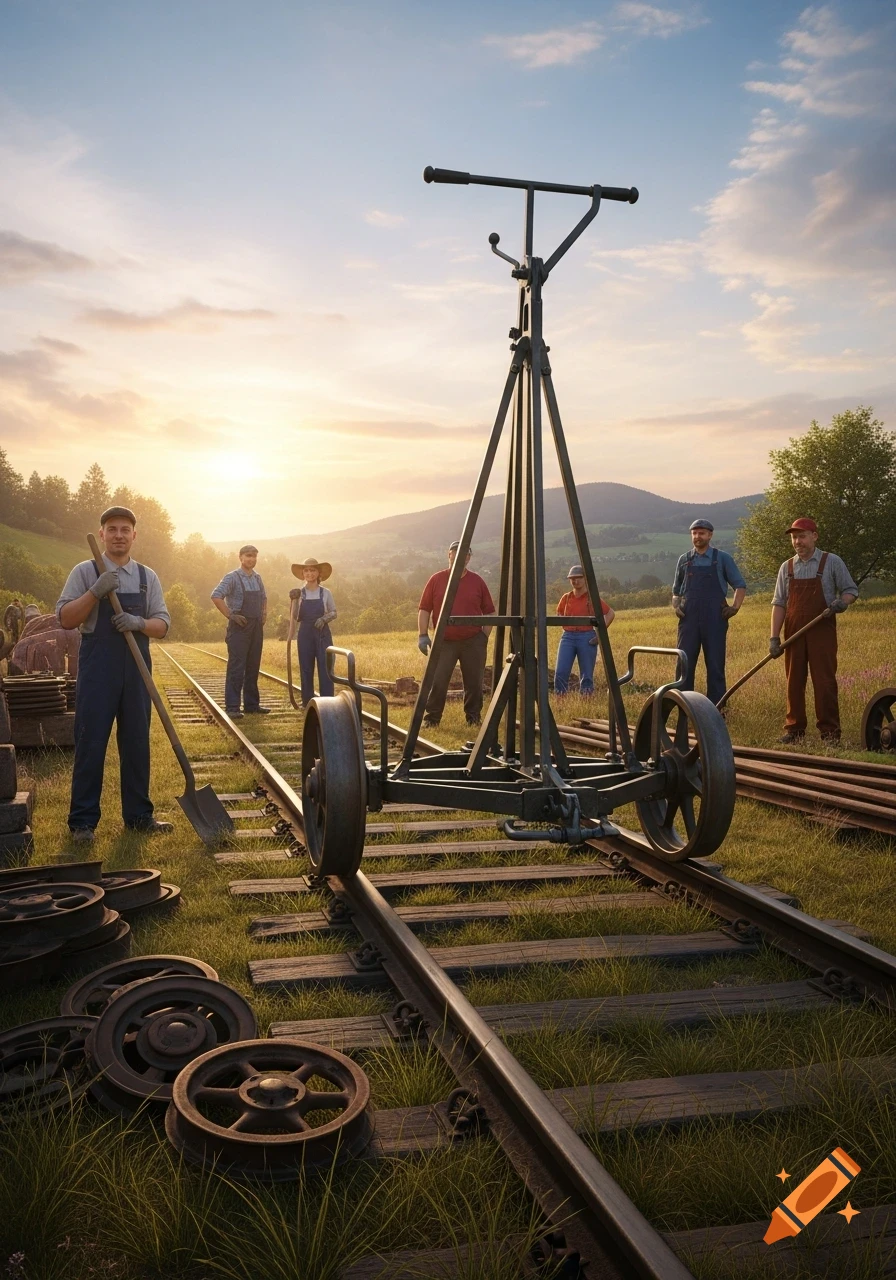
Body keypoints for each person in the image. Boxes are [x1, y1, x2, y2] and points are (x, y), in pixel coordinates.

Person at [56, 506, 171, 842]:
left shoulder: (148, 577)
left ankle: (138, 817)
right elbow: (64, 618)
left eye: (125, 529)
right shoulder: (84, 570)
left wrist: (138, 623)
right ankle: (82, 823)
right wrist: (95, 591)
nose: (119, 535)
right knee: (91, 742)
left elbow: (162, 625)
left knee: (137, 742)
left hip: (137, 669)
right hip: (98, 668)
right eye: (112, 529)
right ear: (102, 533)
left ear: (134, 535)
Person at [768, 517, 858, 744]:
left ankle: (830, 733)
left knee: (824, 681)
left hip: (822, 629)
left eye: (802, 536)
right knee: (794, 681)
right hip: (794, 632)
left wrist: (842, 602)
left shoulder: (831, 562)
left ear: (814, 536)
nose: (797, 541)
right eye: (794, 537)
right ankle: (794, 730)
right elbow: (779, 604)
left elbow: (851, 591)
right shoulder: (786, 567)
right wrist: (774, 637)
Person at [418, 541, 494, 727]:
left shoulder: (477, 581)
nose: (461, 555)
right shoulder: (436, 579)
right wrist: (422, 634)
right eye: (456, 551)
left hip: (473, 641)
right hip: (444, 641)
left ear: (469, 557)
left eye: (466, 553)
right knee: (438, 681)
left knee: (474, 683)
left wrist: (484, 636)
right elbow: (424, 609)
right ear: (449, 554)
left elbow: (490, 612)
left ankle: (473, 718)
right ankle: (432, 719)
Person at [671, 519, 747, 706]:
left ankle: (717, 710)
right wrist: (676, 606)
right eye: (694, 533)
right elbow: (676, 591)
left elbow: (740, 585)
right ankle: (685, 708)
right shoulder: (684, 560)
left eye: (702, 533)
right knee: (684, 663)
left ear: (710, 535)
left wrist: (734, 608)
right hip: (688, 618)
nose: (698, 537)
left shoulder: (722, 558)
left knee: (715, 665)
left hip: (715, 618)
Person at [211, 545, 268, 720]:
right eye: (248, 556)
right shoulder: (232, 577)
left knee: (253, 666)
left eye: (254, 556)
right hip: (239, 627)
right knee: (237, 667)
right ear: (241, 557)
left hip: (256, 626)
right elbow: (216, 596)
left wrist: (263, 614)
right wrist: (231, 615)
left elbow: (264, 598)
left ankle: (252, 705)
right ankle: (232, 707)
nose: (251, 559)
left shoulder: (257, 577)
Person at [554, 566, 615, 695]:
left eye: (578, 578)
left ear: (585, 579)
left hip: (587, 637)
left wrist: (600, 634)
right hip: (568, 637)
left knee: (586, 675)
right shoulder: (566, 598)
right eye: (572, 579)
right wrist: (566, 626)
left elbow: (610, 614)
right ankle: (560, 700)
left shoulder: (592, 598)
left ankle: (586, 699)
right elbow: (559, 613)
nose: (575, 581)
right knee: (560, 672)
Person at [288, 558, 337, 706]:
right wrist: (294, 600)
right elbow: (294, 617)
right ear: (303, 574)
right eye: (306, 570)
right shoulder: (299, 593)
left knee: (326, 668)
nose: (309, 573)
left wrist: (324, 619)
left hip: (322, 634)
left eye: (313, 570)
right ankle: (307, 703)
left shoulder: (326, 593)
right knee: (306, 668)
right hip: (305, 634)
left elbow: (334, 612)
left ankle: (327, 703)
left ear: (318, 573)